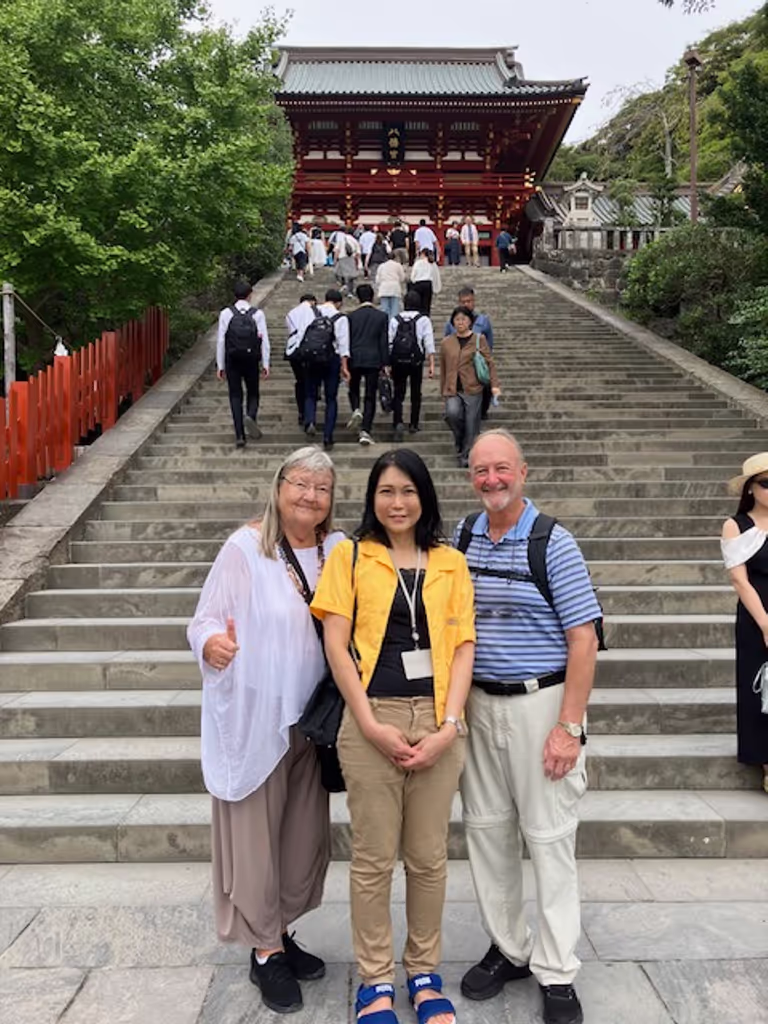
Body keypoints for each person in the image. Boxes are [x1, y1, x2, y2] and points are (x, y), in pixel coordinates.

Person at [311, 448, 476, 1024]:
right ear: (372, 498)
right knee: (374, 858)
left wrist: (449, 726)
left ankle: (425, 973)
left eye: (408, 491)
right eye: (387, 491)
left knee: (428, 858)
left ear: (424, 497)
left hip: (437, 720)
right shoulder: (351, 556)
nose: (397, 502)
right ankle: (375, 979)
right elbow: (335, 643)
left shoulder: (451, 562)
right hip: (371, 714)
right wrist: (369, 723)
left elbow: (462, 647)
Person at [187, 446, 345, 1015]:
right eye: (300, 484)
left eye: (321, 488)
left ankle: (282, 931)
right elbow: (204, 617)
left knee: (301, 837)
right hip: (259, 715)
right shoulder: (245, 548)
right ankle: (264, 949)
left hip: (315, 718)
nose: (309, 496)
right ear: (279, 487)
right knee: (255, 839)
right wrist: (212, 643)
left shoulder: (339, 549)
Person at [454, 429, 601, 1024]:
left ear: (524, 471)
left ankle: (557, 969)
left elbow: (584, 637)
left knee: (548, 838)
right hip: (476, 706)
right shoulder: (463, 536)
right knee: (487, 833)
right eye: (481, 470)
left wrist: (570, 727)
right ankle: (509, 947)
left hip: (542, 702)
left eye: (501, 469)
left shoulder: (552, 542)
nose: (492, 479)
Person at [722, 452, 768, 795]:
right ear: (751, 489)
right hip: (757, 614)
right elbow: (740, 580)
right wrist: (766, 623)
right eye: (766, 483)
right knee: (761, 689)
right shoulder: (737, 525)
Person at [439, 306, 499, 467]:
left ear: (470, 322)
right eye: (457, 319)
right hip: (453, 388)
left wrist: (494, 386)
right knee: (452, 414)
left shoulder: (479, 339)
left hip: (473, 388)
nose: (460, 322)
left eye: (464, 319)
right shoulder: (446, 343)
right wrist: (443, 390)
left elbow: (489, 363)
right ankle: (460, 440)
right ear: (452, 322)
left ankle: (465, 455)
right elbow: (443, 368)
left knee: (472, 422)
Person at [217, 281, 270, 449]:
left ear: (234, 295)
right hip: (251, 359)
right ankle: (251, 416)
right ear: (250, 294)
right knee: (253, 392)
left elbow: (220, 340)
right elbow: (264, 340)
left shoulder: (226, 313)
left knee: (235, 395)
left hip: (232, 359)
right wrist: (266, 363)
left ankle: (239, 434)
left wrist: (220, 365)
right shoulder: (257, 314)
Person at [302, 289, 351, 451]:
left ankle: (309, 420)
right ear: (339, 303)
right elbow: (343, 345)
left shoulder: (312, 312)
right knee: (331, 398)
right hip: (332, 359)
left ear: (325, 299)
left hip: (312, 358)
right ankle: (328, 436)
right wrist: (345, 367)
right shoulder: (341, 317)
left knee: (310, 393)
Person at [444, 287, 495, 420]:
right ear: (458, 302)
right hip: (459, 366)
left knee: (486, 386)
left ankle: (482, 411)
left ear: (474, 301)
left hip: (478, 363)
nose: (466, 304)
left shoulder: (483, 321)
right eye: (463, 302)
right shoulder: (451, 324)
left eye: (469, 301)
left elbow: (489, 344)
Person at [347, 283, 389, 446]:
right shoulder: (381, 316)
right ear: (372, 296)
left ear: (358, 298)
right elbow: (383, 342)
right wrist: (386, 363)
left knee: (354, 388)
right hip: (373, 358)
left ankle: (356, 408)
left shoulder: (351, 317)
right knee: (370, 395)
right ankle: (366, 430)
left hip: (354, 357)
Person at [389, 289, 435, 440]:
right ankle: (414, 423)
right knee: (416, 392)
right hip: (416, 360)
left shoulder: (395, 319)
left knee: (398, 392)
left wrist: (388, 363)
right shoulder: (423, 319)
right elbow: (429, 343)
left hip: (398, 360)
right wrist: (432, 364)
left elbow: (390, 341)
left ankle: (397, 421)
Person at [285, 293, 317, 425]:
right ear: (313, 302)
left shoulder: (291, 313)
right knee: (311, 381)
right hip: (311, 349)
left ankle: (301, 412)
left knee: (300, 381)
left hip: (294, 351)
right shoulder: (314, 311)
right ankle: (310, 415)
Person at [409, 249, 442, 316]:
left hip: (418, 284)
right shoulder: (432, 263)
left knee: (418, 304)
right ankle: (426, 317)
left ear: (423, 254)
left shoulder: (418, 263)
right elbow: (436, 275)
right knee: (426, 305)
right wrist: (436, 288)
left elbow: (413, 275)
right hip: (427, 284)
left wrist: (413, 281)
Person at [375, 252, 407, 319]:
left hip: (384, 287)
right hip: (394, 287)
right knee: (395, 309)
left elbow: (377, 279)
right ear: (395, 258)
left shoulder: (382, 266)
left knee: (385, 309)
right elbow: (402, 277)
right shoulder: (398, 265)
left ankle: (386, 324)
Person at [334, 229, 362, 296]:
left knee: (339, 273)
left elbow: (337, 250)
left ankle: (344, 285)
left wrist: (335, 260)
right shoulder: (355, 241)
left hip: (342, 258)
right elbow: (358, 253)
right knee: (351, 276)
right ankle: (350, 291)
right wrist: (357, 262)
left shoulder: (341, 240)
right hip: (351, 258)